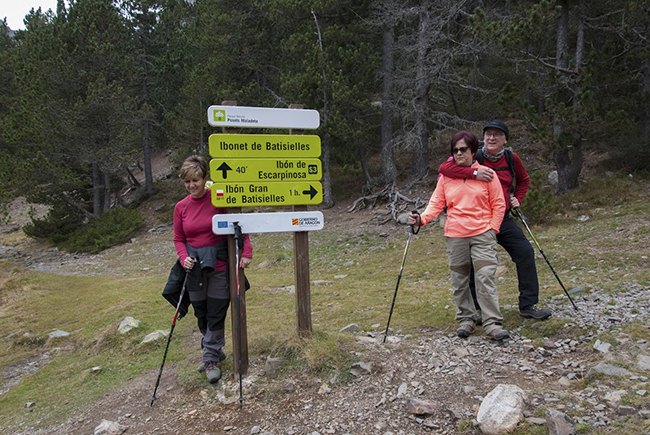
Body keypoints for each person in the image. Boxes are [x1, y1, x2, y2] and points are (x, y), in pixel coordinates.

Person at [438, 120, 551, 321]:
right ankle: (477, 311)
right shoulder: (473, 154)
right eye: (488, 134)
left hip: (502, 219)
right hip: (475, 220)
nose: (491, 138)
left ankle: (528, 305)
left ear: (505, 139)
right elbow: (445, 168)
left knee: (525, 253)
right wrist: (473, 172)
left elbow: (524, 180)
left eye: (497, 135)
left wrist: (518, 198)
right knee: (473, 265)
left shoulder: (511, 158)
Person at [408, 131, 509, 340]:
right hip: (455, 235)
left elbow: (499, 204)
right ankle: (467, 319)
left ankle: (492, 323)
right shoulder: (446, 178)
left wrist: (493, 228)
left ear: (473, 150)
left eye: (463, 149)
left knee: (485, 277)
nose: (459, 153)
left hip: (482, 234)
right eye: (455, 150)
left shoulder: (487, 174)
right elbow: (436, 204)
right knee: (460, 279)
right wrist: (422, 219)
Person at [173, 155, 253, 383]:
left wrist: (246, 252)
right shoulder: (181, 207)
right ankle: (215, 350)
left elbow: (240, 228)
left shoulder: (219, 199)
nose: (191, 186)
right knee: (201, 313)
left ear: (205, 178)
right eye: (187, 182)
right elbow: (179, 238)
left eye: (195, 180)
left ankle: (209, 359)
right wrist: (183, 257)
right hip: (195, 268)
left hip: (219, 264)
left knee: (216, 311)